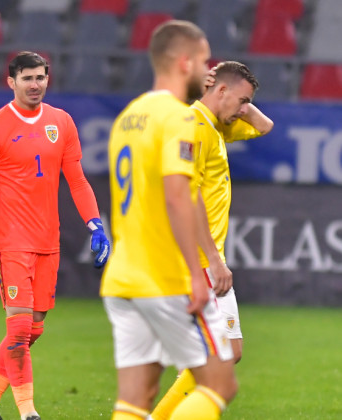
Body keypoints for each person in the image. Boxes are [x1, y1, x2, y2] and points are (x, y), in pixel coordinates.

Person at [0, 51, 111, 420]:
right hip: (10, 240)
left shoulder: (61, 122)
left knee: (33, 331)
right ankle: (29, 414)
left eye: (40, 77)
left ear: (48, 79)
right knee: (19, 329)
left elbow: (76, 180)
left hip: (48, 239)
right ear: (10, 81)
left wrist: (96, 224)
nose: (35, 84)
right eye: (27, 78)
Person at [101, 20, 238, 420]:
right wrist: (198, 275)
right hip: (165, 277)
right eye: (203, 59)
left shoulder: (129, 117)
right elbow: (179, 195)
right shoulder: (177, 118)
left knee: (135, 399)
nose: (208, 70)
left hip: (123, 278)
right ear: (184, 62)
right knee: (220, 383)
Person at [151, 61, 273, 420]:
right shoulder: (193, 128)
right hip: (200, 260)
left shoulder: (217, 126)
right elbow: (188, 199)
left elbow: (265, 126)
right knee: (214, 357)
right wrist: (214, 261)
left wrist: (240, 100)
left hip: (209, 257)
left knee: (229, 351)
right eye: (240, 100)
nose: (243, 109)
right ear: (220, 91)